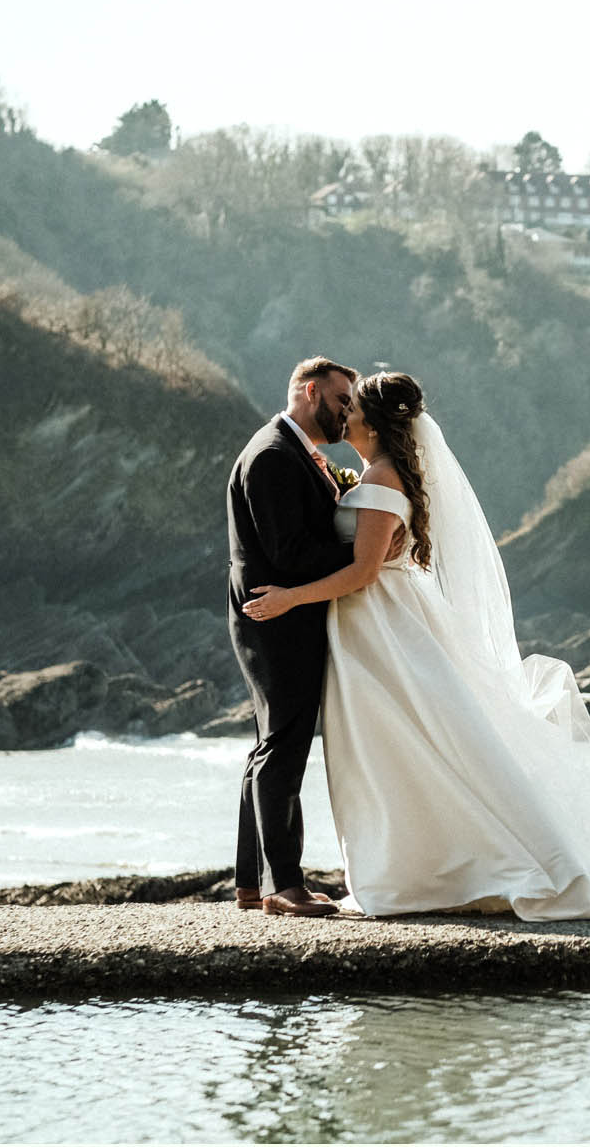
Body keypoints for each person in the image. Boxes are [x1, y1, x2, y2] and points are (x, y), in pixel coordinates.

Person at [241, 370, 590, 920]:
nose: (342, 414)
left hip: (380, 627)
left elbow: (365, 571)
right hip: (379, 625)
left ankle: (432, 868)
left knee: (402, 744)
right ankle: (417, 866)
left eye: (351, 407)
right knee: (408, 745)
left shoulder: (379, 482)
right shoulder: (383, 475)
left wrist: (291, 598)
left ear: (370, 422)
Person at [225, 356, 360, 918]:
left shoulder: (292, 452)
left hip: (274, 618)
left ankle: (251, 884)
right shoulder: (274, 456)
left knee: (268, 748)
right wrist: (367, 555)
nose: (346, 411)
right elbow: (290, 555)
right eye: (340, 400)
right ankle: (285, 884)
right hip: (276, 620)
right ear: (310, 391)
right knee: (284, 747)